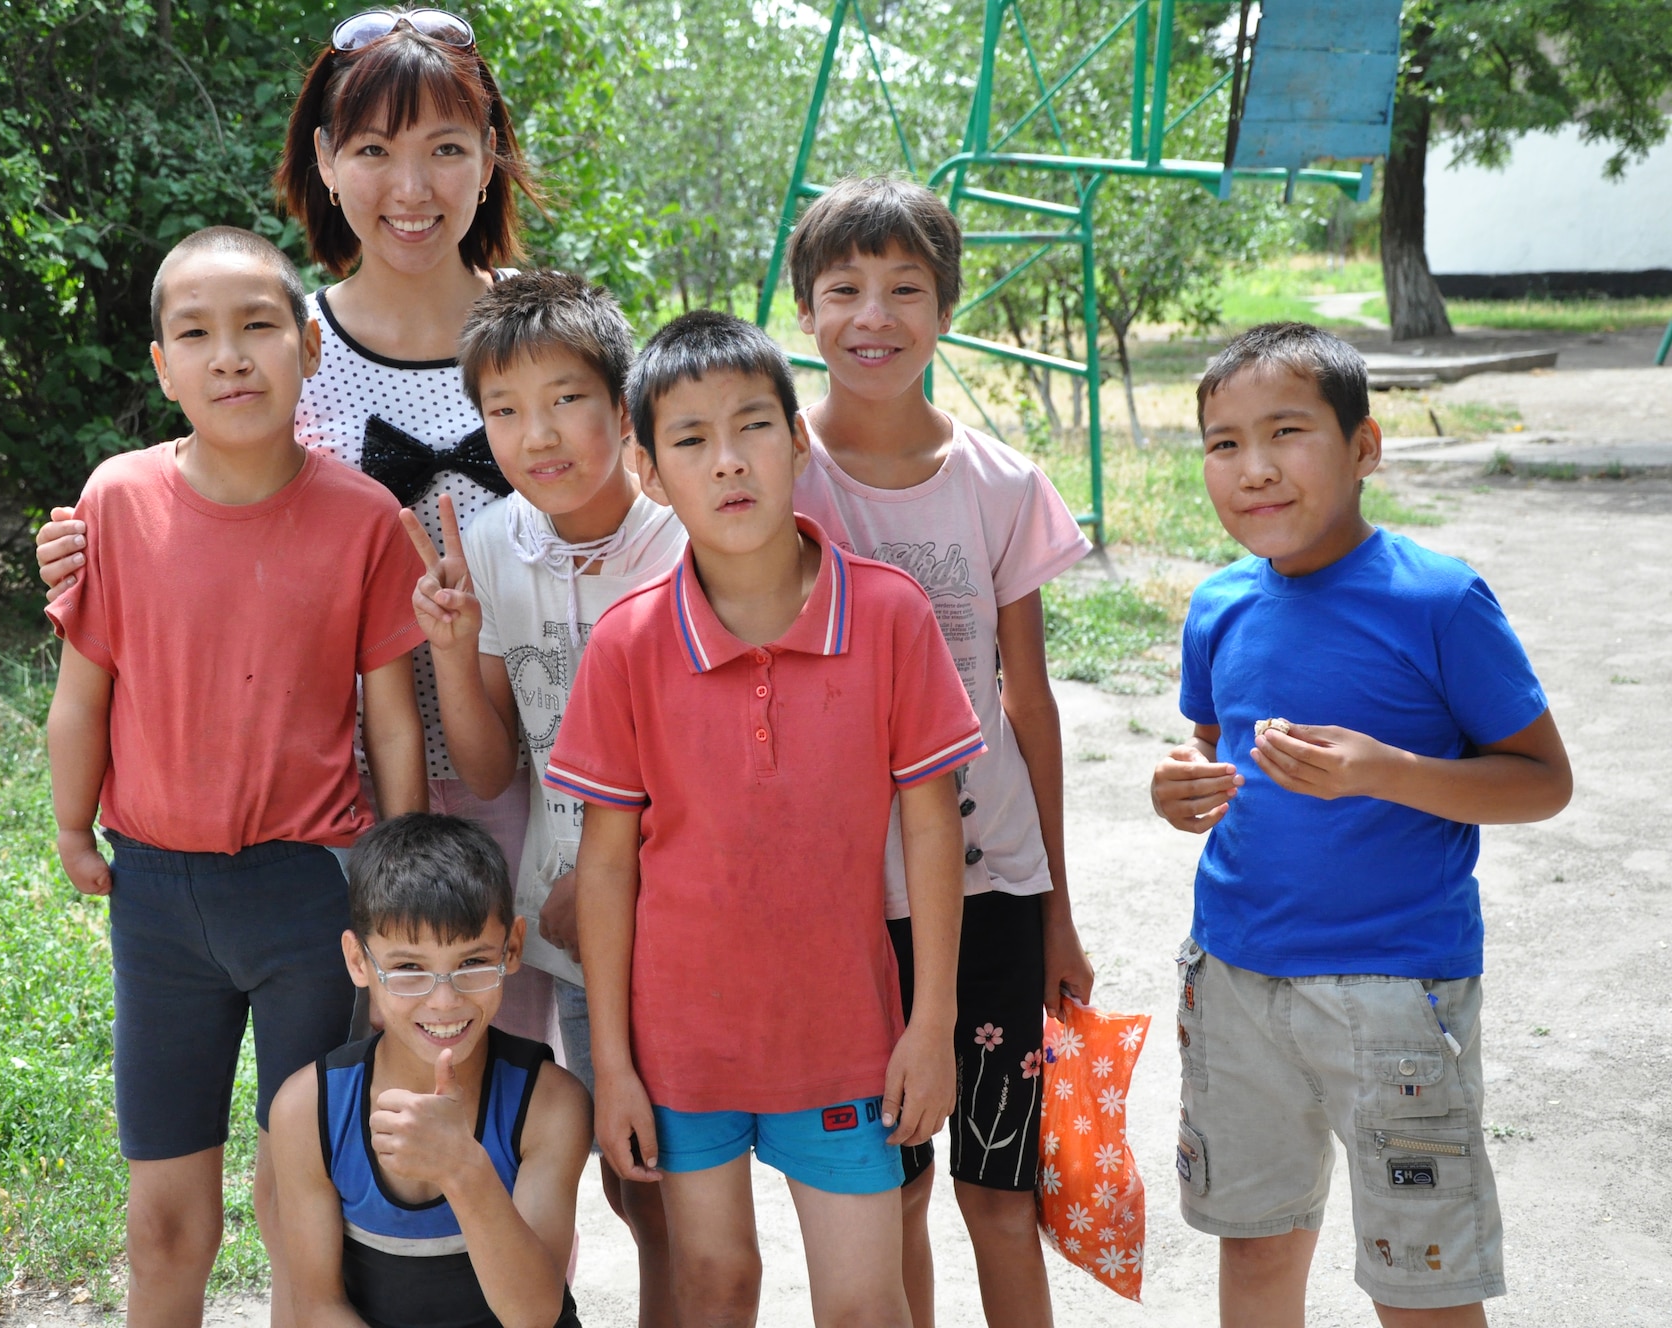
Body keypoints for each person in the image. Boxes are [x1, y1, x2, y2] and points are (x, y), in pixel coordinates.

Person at [31, 10, 553, 1037]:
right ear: (323, 159)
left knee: (541, 1097)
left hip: (538, 775)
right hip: (335, 807)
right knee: (370, 1115)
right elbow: (191, 528)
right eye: (372, 151)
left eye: (446, 149)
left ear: (489, 156)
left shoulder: (553, 332)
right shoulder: (282, 342)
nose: (411, 190)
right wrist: (75, 549)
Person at [550, 310, 982, 1327]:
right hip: (681, 1043)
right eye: (690, 439)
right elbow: (605, 868)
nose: (728, 460)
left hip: (843, 1034)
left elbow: (928, 830)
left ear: (798, 440)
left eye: (751, 426)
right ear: (648, 469)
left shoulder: (886, 615)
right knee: (713, 1281)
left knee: (865, 1302)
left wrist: (931, 1022)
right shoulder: (626, 644)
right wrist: (612, 1064)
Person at [1150, 322, 1572, 1328]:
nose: (1253, 468)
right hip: (1237, 980)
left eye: (1286, 431)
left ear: (1363, 447)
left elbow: (1540, 778)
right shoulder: (1216, 605)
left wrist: (1385, 772)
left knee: (1418, 1281)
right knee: (1253, 1246)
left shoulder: (1436, 600)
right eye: (1222, 442)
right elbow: (1208, 750)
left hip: (1395, 993)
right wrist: (1179, 789)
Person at [44, 226, 429, 1326]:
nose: (231, 357)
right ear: (161, 366)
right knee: (162, 1219)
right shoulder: (115, 500)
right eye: (196, 335)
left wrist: (393, 876)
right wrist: (74, 827)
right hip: (157, 900)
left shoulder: (361, 515)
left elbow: (391, 723)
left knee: (296, 1192)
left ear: (307, 346)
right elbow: (84, 692)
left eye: (258, 326)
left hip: (311, 893)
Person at [783, 176, 1094, 1328]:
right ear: (804, 310)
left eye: (905, 288)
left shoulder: (1001, 484)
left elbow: (1028, 699)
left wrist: (1058, 901)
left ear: (945, 306)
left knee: (1000, 1199)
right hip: (850, 901)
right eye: (843, 288)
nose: (874, 314)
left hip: (994, 882)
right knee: (893, 1196)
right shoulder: (772, 475)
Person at [400, 271, 683, 1324]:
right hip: (566, 928)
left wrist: (619, 882)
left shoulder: (683, 543)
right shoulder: (487, 546)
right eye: (504, 410)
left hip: (678, 919)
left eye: (564, 399)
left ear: (620, 407)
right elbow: (486, 772)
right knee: (628, 1173)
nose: (537, 434)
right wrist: (452, 644)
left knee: (682, 1194)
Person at [269, 812, 592, 1328]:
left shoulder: (550, 1104)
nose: (444, 1001)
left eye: (471, 963)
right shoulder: (308, 1108)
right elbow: (318, 1305)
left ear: (512, 948)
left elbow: (534, 1314)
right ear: (358, 960)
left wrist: (464, 1169)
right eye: (408, 968)